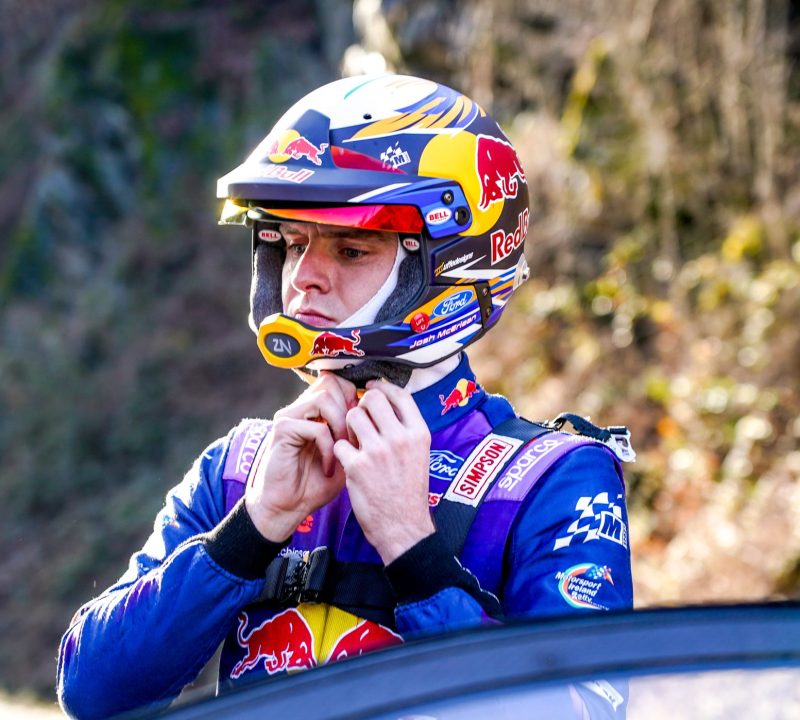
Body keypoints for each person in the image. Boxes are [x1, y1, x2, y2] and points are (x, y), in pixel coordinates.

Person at [57, 74, 634, 719]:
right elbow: (92, 692)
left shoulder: (551, 478)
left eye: (351, 248)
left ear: (450, 265)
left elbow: (584, 711)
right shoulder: (241, 468)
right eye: (292, 243)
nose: (304, 277)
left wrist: (414, 551)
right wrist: (251, 530)